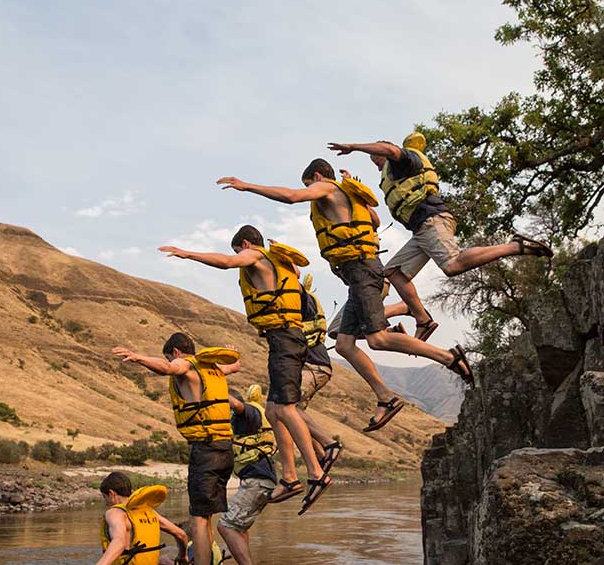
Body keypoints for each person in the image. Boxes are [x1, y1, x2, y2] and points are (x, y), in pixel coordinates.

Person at [217, 165, 475, 433]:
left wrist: (248, 186)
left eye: (310, 185)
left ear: (317, 177)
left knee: (378, 339)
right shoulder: (349, 194)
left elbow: (291, 197)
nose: (310, 193)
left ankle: (448, 357)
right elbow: (374, 221)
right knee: (343, 343)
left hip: (363, 270)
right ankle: (385, 397)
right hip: (360, 273)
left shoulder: (327, 187)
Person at [157, 230, 333, 513]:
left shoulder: (255, 256)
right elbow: (297, 274)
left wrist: (188, 253)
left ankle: (315, 471)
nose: (240, 257)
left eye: (240, 250)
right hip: (285, 339)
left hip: (285, 338)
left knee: (286, 409)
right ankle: (290, 476)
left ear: (246, 245)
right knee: (274, 409)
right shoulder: (281, 263)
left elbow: (227, 263)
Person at [327, 131, 553, 337]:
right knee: (394, 272)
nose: (377, 167)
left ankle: (514, 245)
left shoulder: (404, 160)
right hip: (420, 229)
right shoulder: (393, 170)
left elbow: (389, 151)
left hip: (432, 219)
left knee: (452, 264)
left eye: (376, 160)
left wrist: (354, 146)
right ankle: (423, 320)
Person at [112, 333, 239, 565]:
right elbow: (233, 368)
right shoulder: (213, 370)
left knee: (198, 523)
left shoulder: (186, 365)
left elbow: (171, 368)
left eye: (171, 355)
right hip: (225, 449)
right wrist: (233, 357)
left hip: (205, 450)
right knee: (205, 522)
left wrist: (138, 357)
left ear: (177, 352)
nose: (172, 362)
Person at [217, 384, 275, 565]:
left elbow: (239, 406)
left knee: (226, 526)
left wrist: (217, 391)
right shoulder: (237, 424)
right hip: (257, 480)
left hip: (257, 480)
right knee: (239, 527)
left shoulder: (247, 414)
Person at [298, 274, 343, 470]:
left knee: (290, 408)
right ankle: (321, 457)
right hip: (313, 367)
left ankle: (329, 445)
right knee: (294, 415)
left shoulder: (305, 300)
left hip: (315, 366)